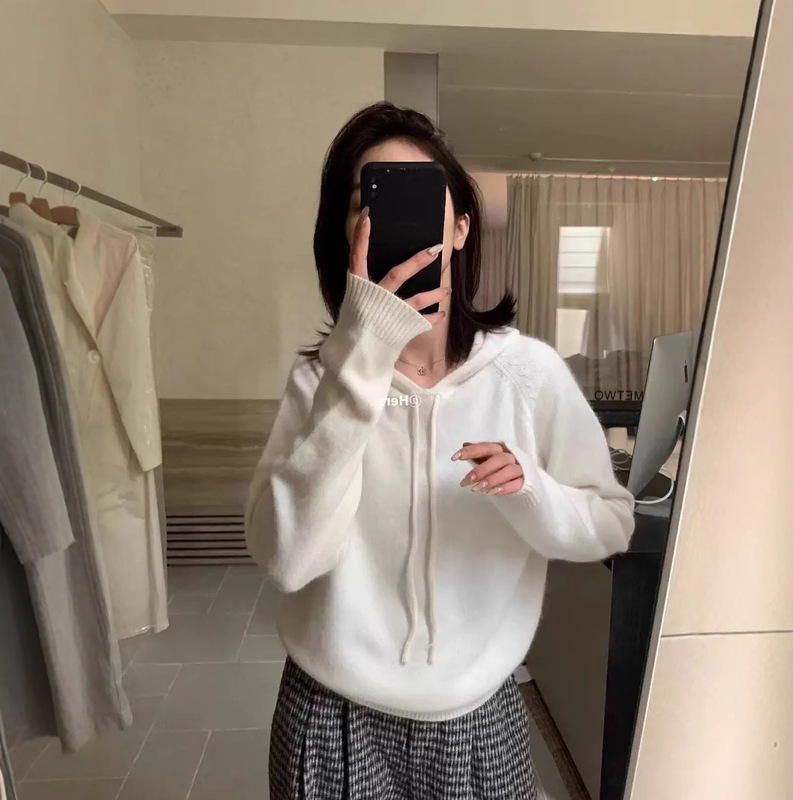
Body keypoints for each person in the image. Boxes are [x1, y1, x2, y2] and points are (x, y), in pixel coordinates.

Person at [245, 102, 636, 800]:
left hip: (479, 715)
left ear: (460, 226)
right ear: (348, 234)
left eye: (421, 197)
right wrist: (359, 365)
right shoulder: (319, 384)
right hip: (332, 717)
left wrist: (530, 489)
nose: (390, 218)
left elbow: (611, 522)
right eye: (366, 201)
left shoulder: (528, 374)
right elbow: (289, 560)